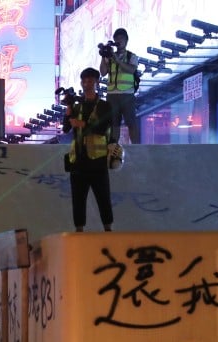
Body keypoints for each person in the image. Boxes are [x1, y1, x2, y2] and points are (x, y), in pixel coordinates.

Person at [63, 67, 114, 232]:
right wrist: (68, 109)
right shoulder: (77, 106)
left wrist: (83, 124)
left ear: (97, 82)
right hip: (78, 161)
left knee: (103, 197)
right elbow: (65, 128)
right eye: (84, 81)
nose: (87, 84)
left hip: (98, 161)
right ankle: (79, 231)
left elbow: (103, 127)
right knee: (78, 200)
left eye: (90, 80)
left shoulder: (105, 106)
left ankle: (108, 229)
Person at [100, 27, 140, 144]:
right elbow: (102, 72)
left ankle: (137, 148)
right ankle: (112, 149)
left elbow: (131, 70)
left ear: (126, 40)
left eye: (121, 38)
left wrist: (117, 60)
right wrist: (104, 55)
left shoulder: (131, 56)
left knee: (131, 122)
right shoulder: (110, 57)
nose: (119, 41)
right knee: (114, 124)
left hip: (127, 94)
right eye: (116, 39)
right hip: (112, 94)